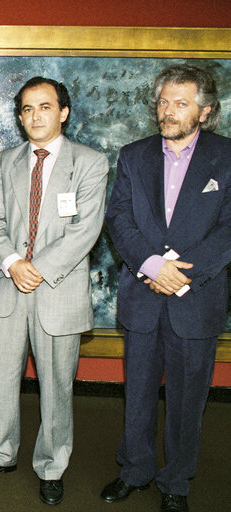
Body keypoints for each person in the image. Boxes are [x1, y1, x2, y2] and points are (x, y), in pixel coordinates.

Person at [0, 76, 108, 506]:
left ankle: (51, 466)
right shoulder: (6, 160)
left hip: (57, 290)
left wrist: (38, 268)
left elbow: (85, 230)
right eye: (27, 109)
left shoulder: (90, 162)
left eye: (44, 107)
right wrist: (12, 262)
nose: (34, 116)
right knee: (3, 381)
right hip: (9, 288)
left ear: (63, 112)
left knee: (56, 386)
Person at [101, 64, 230, 512]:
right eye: (163, 102)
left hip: (196, 299)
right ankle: (134, 469)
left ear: (205, 110)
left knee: (187, 399)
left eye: (181, 103)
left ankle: (176, 480)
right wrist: (154, 265)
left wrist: (181, 274)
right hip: (143, 296)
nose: (168, 111)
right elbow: (119, 218)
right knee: (136, 392)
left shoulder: (226, 156)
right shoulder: (133, 155)